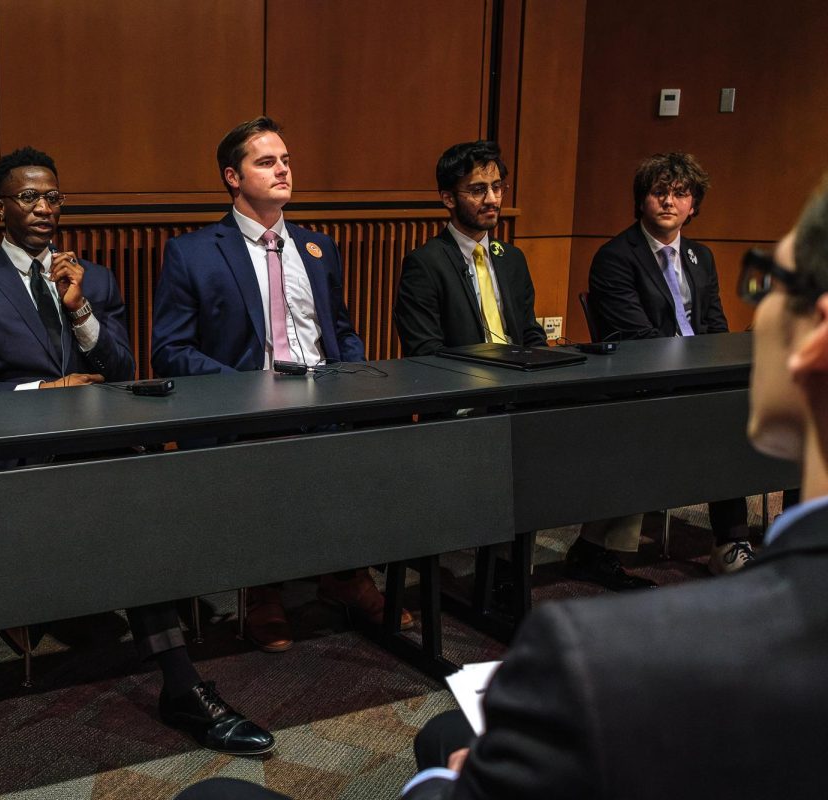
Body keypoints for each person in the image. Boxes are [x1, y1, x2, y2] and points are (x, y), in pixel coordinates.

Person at [175, 174, 828, 800]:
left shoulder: (594, 655)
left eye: (769, 282)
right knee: (444, 730)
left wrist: (447, 782)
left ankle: (351, 576)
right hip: (309, 402)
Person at [0, 146, 273, 756]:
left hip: (101, 448)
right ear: (0, 208)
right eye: (29, 198)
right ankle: (182, 685)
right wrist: (44, 390)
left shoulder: (92, 276)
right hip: (25, 458)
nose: (44, 209)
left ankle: (187, 646)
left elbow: (121, 368)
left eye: (53, 198)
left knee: (154, 494)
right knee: (129, 522)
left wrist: (81, 310)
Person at [151, 116, 410, 653]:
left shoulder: (317, 247)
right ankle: (261, 588)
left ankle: (346, 574)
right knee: (269, 451)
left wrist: (354, 377)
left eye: (286, 160)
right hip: (248, 407)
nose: (283, 169)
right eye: (266, 162)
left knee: (390, 433)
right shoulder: (194, 251)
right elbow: (170, 350)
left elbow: (339, 330)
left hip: (326, 394)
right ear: (232, 176)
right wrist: (249, 387)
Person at [577, 153, 755, 580]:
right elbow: (636, 339)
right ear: (641, 201)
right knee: (723, 418)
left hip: (698, 377)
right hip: (646, 383)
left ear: (693, 205)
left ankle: (758, 538)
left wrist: (719, 368)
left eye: (680, 194)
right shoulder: (616, 256)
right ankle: (730, 539)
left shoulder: (701, 257)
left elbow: (715, 326)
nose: (669, 202)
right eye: (659, 192)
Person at [395, 141, 546, 355]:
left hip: (518, 379)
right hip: (463, 381)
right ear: (448, 198)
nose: (492, 199)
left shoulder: (513, 258)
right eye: (478, 190)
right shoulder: (425, 264)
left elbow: (530, 332)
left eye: (497, 187)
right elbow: (425, 350)